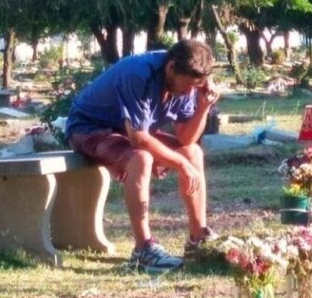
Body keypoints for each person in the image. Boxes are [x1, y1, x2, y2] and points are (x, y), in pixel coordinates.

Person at [65, 40, 219, 272]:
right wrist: (181, 165)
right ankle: (143, 249)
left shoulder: (189, 81)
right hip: (88, 129)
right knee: (141, 158)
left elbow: (187, 139)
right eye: (187, 87)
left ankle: (198, 239)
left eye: (194, 88)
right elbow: (138, 139)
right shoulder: (140, 74)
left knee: (193, 152)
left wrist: (203, 107)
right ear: (171, 68)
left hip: (126, 132)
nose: (189, 93)